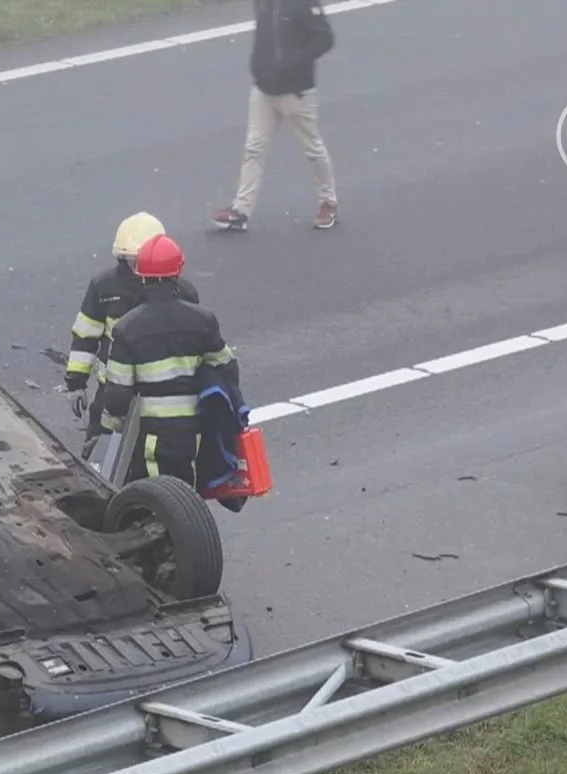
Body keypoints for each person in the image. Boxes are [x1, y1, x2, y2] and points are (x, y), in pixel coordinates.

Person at [99, 235, 237, 487]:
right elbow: (226, 368)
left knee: (158, 499)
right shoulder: (203, 320)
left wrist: (110, 428)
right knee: (185, 490)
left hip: (150, 433)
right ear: (177, 273)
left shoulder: (127, 328)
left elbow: (117, 395)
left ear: (141, 276)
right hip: (192, 430)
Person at [64, 213, 204, 447]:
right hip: (112, 388)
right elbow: (85, 337)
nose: (136, 267)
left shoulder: (183, 292)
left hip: (160, 391)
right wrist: (76, 384)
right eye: (130, 259)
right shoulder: (104, 287)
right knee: (100, 449)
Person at [209, 0, 338, 232]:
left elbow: (325, 39)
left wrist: (293, 61)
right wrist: (257, 65)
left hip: (296, 91)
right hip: (263, 89)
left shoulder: (303, 3)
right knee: (254, 148)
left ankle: (328, 202)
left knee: (312, 149)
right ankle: (241, 211)